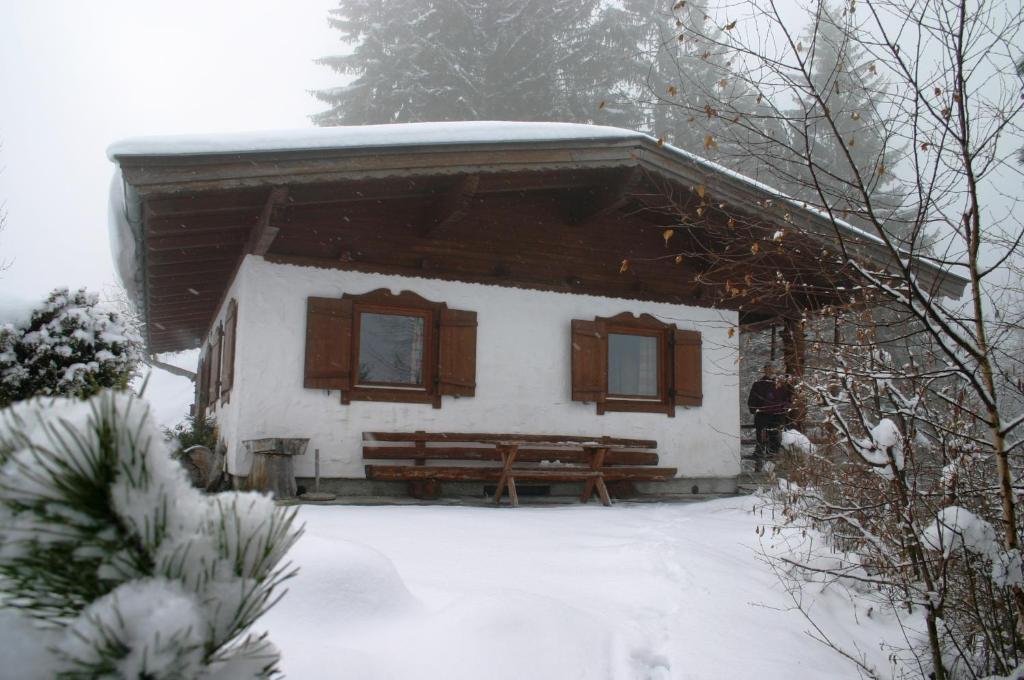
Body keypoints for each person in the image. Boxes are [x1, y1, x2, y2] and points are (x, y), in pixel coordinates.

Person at [747, 363, 793, 469]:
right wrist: (755, 409)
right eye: (767, 368)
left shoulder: (782, 384)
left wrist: (785, 408)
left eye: (772, 368)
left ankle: (773, 465)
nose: (770, 370)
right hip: (762, 415)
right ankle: (759, 466)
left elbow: (789, 398)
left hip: (777, 415)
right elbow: (752, 400)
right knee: (761, 440)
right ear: (764, 370)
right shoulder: (759, 384)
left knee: (775, 438)